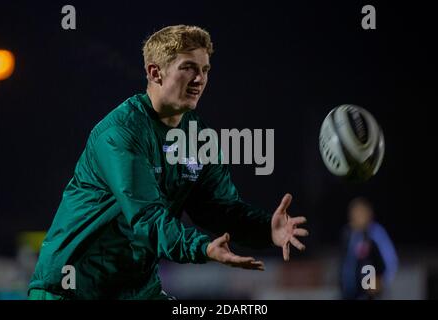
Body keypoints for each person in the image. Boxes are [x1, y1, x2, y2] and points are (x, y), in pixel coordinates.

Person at [28, 25, 309, 300]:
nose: (199, 78)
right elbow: (147, 218)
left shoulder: (198, 136)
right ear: (155, 72)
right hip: (72, 288)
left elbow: (219, 208)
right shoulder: (120, 133)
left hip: (134, 289)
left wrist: (265, 230)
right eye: (188, 67)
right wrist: (202, 248)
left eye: (205, 70)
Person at [340, 197, 398, 300]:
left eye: (361, 213)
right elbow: (345, 262)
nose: (357, 216)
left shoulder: (375, 232)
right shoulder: (347, 233)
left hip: (369, 292)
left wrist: (383, 280)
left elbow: (390, 260)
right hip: (349, 291)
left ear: (369, 214)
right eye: (354, 213)